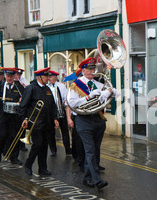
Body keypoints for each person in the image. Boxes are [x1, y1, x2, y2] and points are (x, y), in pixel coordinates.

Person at [67, 57, 118, 189]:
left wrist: (110, 92)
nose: (92, 71)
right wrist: (88, 97)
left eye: (93, 69)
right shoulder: (76, 84)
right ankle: (97, 180)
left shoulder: (99, 84)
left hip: (98, 119)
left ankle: (87, 178)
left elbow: (113, 95)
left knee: (94, 150)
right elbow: (72, 103)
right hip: (83, 120)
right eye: (89, 69)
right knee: (89, 150)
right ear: (83, 71)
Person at [18, 67, 59, 176]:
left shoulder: (47, 89)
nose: (48, 78)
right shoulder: (31, 88)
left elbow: (52, 105)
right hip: (35, 123)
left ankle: (42, 168)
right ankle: (28, 164)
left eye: (48, 76)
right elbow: (23, 106)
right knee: (37, 145)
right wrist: (24, 118)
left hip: (47, 123)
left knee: (44, 146)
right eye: (46, 76)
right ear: (39, 77)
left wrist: (55, 118)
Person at [0, 67, 25, 164]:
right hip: (3, 115)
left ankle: (14, 157)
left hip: (15, 116)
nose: (9, 78)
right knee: (3, 135)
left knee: (15, 136)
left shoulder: (19, 87)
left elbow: (25, 98)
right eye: (7, 76)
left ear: (15, 76)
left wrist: (22, 100)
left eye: (11, 76)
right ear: (5, 76)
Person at [47, 70, 72, 156]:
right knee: (51, 133)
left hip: (61, 111)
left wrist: (64, 104)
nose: (49, 78)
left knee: (65, 131)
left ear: (55, 77)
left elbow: (66, 98)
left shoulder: (61, 86)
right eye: (48, 77)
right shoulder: (46, 87)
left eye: (50, 77)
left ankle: (68, 150)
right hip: (51, 113)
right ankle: (53, 150)